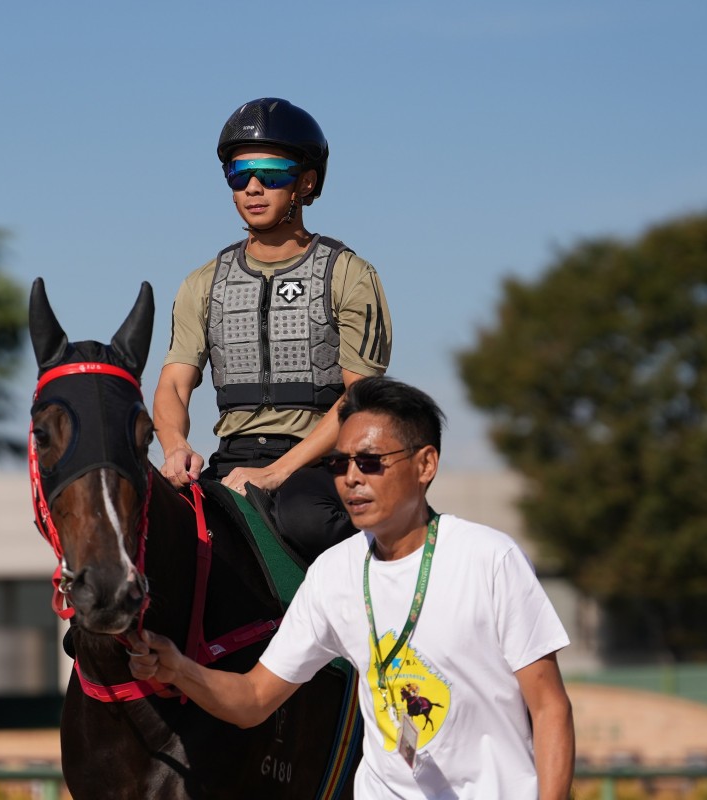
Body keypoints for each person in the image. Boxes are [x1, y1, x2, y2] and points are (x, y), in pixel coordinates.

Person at [131, 377, 575, 798]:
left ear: (425, 465)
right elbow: (253, 699)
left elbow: (550, 708)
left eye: (370, 462)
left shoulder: (489, 559)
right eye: (339, 464)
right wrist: (176, 667)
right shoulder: (332, 574)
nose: (350, 478)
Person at [154, 97, 392, 562]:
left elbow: (363, 398)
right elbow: (174, 387)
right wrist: (175, 446)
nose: (254, 188)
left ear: (305, 183)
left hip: (323, 462)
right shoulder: (203, 283)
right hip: (232, 457)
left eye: (273, 174)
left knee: (309, 520)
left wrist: (277, 473)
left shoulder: (349, 274)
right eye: (240, 176)